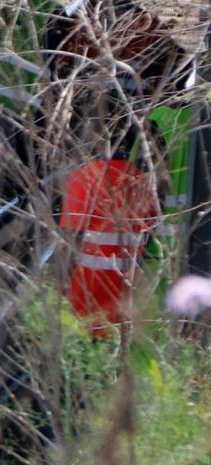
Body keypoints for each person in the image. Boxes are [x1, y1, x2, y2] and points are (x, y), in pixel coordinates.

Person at [60, 124, 160, 338]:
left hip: (84, 302)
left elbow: (67, 244)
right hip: (125, 304)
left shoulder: (83, 177)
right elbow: (150, 235)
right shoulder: (142, 182)